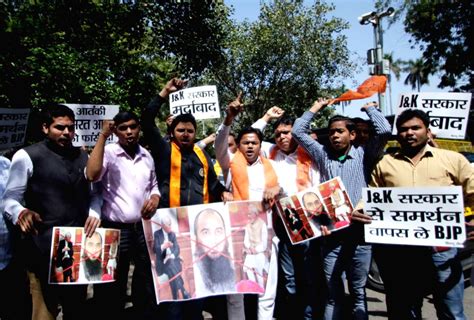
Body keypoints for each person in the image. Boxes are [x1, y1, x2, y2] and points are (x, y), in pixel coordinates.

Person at [352, 108, 472, 320]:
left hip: (441, 250)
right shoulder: (386, 163)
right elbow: (372, 194)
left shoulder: (452, 159)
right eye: (404, 129)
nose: (409, 133)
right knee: (403, 310)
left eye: (415, 128)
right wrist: (360, 209)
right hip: (400, 253)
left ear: (427, 131)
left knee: (451, 311)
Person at [141, 78, 234, 320]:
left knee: (195, 285)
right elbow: (146, 120)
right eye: (180, 130)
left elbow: (212, 183)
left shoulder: (202, 153)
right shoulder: (163, 149)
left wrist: (223, 190)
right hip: (167, 229)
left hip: (195, 229)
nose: (185, 134)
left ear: (195, 133)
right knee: (171, 284)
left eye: (190, 131)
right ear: (172, 132)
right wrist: (164, 93)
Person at [292, 98, 391, 320]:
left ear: (352, 135)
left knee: (358, 292)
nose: (335, 136)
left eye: (340, 131)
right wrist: (316, 107)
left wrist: (370, 109)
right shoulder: (322, 154)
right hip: (332, 236)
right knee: (333, 293)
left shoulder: (365, 154)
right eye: (332, 132)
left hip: (360, 237)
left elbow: (384, 130)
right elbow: (298, 131)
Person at [2, 104, 101, 320]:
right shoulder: (26, 156)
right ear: (45, 128)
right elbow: (10, 199)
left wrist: (95, 213)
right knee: (44, 311)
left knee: (76, 308)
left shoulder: (83, 156)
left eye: (70, 128)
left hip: (76, 249)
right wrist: (21, 213)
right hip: (40, 249)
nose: (66, 133)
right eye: (60, 127)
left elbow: (95, 194)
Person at [86, 111, 160, 319]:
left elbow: (153, 185)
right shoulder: (108, 152)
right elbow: (91, 175)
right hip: (116, 229)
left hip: (143, 229)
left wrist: (155, 198)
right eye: (123, 128)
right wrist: (102, 136)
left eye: (133, 127)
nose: (129, 132)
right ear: (115, 131)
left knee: (145, 279)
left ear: (139, 128)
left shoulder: (147, 155)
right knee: (112, 282)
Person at [215, 94, 283, 320]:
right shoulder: (230, 164)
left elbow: (287, 194)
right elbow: (219, 142)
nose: (250, 146)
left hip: (267, 236)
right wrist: (228, 119)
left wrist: (278, 190)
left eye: (254, 142)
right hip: (237, 235)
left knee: (267, 289)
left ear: (260, 145)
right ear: (239, 146)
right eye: (246, 143)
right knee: (236, 292)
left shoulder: (272, 166)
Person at [250, 110, 322, 320]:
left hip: (309, 225)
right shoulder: (270, 154)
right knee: (288, 278)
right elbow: (251, 135)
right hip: (280, 223)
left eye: (287, 133)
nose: (282, 137)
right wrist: (265, 118)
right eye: (278, 133)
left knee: (308, 277)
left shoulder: (311, 157)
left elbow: (318, 190)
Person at [0, 154, 31, 320]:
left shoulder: (5, 164)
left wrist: (21, 212)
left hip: (9, 256)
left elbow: (14, 200)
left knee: (16, 311)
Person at [193, 208, 236, 295]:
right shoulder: (195, 274)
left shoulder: (233, 263)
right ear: (196, 238)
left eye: (219, 231)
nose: (214, 241)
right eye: (206, 232)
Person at [154, 214, 190, 300]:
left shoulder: (172, 234)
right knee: (171, 266)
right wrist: (163, 246)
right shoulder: (157, 234)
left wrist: (172, 256)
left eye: (170, 224)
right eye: (168, 225)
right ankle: (183, 290)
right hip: (162, 264)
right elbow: (155, 249)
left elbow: (177, 248)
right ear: (163, 225)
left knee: (171, 266)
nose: (170, 227)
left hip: (173, 262)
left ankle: (175, 296)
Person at [243, 205, 268, 290]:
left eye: (250, 214)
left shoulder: (262, 224)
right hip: (250, 252)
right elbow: (246, 240)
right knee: (249, 269)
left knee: (259, 272)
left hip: (259, 253)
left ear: (255, 214)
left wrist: (256, 250)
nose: (249, 216)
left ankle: (261, 290)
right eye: (248, 214)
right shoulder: (247, 225)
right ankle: (254, 289)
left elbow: (264, 242)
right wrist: (249, 247)